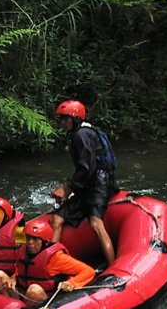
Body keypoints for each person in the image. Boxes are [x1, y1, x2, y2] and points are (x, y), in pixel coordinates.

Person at [50, 100, 119, 264]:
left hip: (100, 183)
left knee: (95, 223)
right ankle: (51, 262)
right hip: (88, 185)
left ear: (75, 118)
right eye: (61, 119)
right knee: (57, 219)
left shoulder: (82, 135)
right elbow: (85, 171)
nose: (63, 123)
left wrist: (67, 188)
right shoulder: (80, 134)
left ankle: (113, 266)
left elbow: (86, 168)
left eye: (65, 119)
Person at [0, 218, 95, 305]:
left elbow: (88, 271)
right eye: (28, 238)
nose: (30, 242)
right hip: (22, 293)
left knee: (33, 290)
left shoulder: (56, 257)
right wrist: (13, 279)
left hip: (44, 298)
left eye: (35, 239)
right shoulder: (23, 250)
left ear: (44, 241)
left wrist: (71, 283)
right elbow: (20, 269)